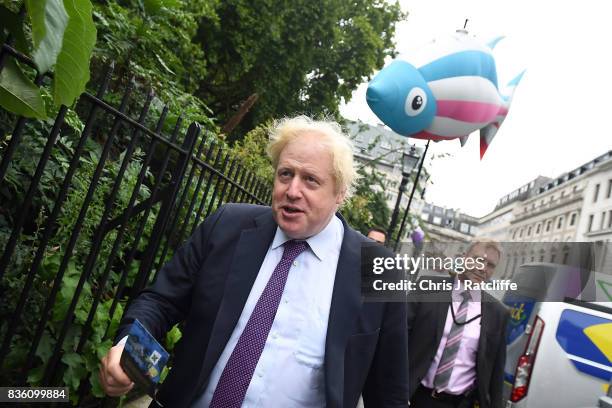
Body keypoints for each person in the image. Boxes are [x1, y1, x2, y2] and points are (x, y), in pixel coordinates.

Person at [98, 116, 409, 408]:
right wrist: (127, 348)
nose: (292, 191)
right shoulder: (227, 226)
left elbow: (388, 391)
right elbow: (160, 302)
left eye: (311, 180)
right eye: (285, 174)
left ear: (340, 193)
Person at [407, 238, 509, 408]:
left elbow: (496, 375)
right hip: (415, 397)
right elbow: (397, 338)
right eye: (478, 259)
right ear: (463, 257)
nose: (482, 268)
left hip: (460, 403)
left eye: (490, 265)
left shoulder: (498, 313)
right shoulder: (427, 288)